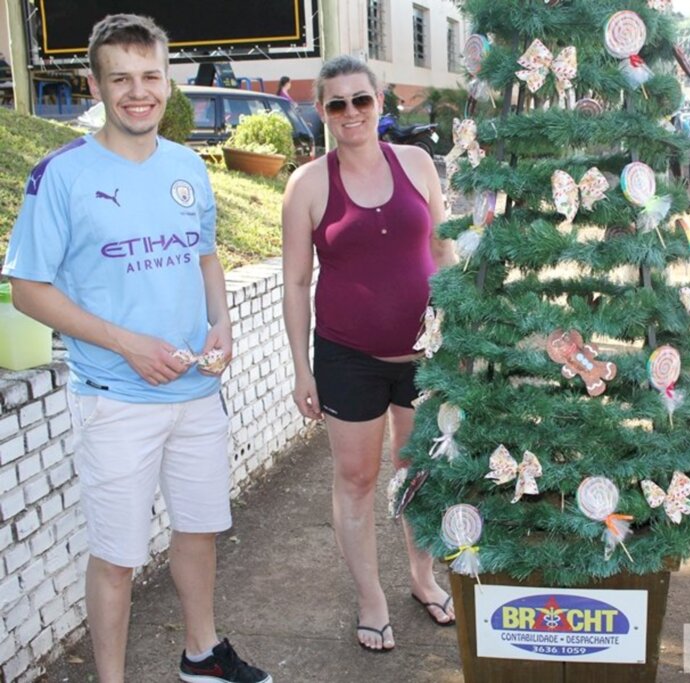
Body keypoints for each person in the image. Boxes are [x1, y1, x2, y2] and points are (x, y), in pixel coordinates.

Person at [1, 14, 271, 683]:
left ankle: (202, 654)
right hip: (116, 399)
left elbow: (206, 258)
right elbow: (28, 289)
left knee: (200, 530)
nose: (138, 91)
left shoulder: (187, 165)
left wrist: (222, 326)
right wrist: (127, 344)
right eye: (120, 78)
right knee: (117, 556)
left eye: (150, 75)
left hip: (195, 393)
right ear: (94, 83)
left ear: (167, 81)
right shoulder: (59, 174)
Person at [281, 55, 456, 653]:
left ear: (381, 102)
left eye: (361, 100)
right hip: (346, 357)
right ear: (323, 112)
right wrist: (302, 368)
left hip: (423, 356)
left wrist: (459, 328)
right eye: (337, 104)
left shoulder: (417, 163)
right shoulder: (306, 185)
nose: (351, 112)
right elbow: (296, 283)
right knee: (355, 479)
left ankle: (422, 576)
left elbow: (442, 245)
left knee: (419, 471)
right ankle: (370, 597)